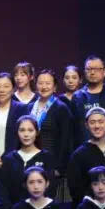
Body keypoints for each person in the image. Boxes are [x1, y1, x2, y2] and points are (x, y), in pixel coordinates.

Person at [0, 72, 30, 199]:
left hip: (14, 163)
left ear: (13, 89)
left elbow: (24, 136)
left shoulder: (21, 109)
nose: (2, 90)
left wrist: (6, 158)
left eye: (6, 86)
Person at [30, 70, 73, 201]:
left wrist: (59, 168)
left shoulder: (61, 108)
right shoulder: (30, 107)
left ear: (54, 87)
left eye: (48, 83)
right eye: (40, 83)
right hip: (31, 161)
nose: (44, 86)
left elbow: (66, 140)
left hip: (51, 165)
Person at [0, 115, 53, 205]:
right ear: (17, 133)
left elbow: (51, 188)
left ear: (37, 133)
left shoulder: (46, 157)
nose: (26, 134)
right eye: (22, 130)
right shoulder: (9, 159)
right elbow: (3, 190)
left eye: (30, 130)